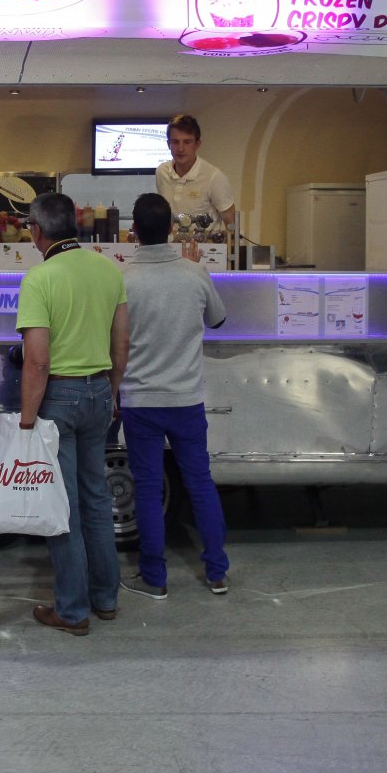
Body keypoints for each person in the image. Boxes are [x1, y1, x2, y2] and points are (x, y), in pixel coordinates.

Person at [15, 192, 128, 636]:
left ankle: (73, 610)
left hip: (58, 398)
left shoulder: (39, 279)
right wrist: (111, 391)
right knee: (97, 498)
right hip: (100, 390)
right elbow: (122, 343)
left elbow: (37, 360)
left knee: (62, 506)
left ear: (37, 231)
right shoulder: (108, 269)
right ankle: (106, 599)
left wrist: (27, 420)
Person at [116, 193, 231, 600]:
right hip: (186, 398)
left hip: (140, 400)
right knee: (200, 482)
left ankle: (155, 578)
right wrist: (197, 267)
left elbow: (117, 340)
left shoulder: (123, 280)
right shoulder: (194, 273)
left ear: (133, 231)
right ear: (170, 229)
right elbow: (218, 319)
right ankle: (217, 572)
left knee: (148, 488)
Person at [155, 113, 236, 236]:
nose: (181, 148)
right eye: (175, 142)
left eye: (187, 142)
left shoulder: (214, 177)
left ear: (197, 144)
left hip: (204, 246)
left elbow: (231, 223)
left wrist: (234, 245)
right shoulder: (161, 172)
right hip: (170, 246)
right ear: (168, 144)